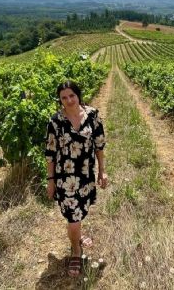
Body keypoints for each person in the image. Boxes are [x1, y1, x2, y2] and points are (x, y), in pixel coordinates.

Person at [45, 80, 108, 277]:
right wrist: (51, 180)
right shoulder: (55, 121)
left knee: (80, 213)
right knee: (73, 218)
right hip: (66, 179)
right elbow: (50, 153)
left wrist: (102, 171)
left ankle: (77, 238)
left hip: (86, 176)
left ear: (78, 95)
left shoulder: (92, 115)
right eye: (64, 97)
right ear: (60, 100)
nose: (69, 100)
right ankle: (75, 251)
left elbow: (99, 145)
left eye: (72, 95)